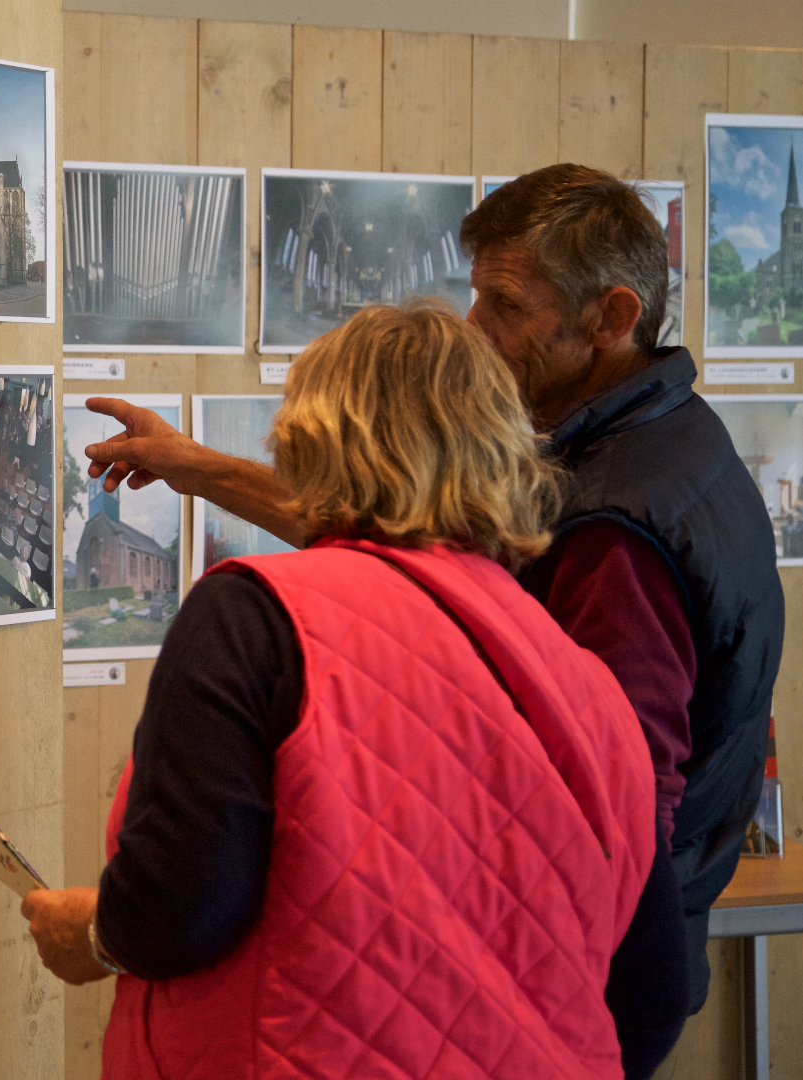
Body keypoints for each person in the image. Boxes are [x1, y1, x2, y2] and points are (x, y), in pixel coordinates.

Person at [77, 164, 781, 1039]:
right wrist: (191, 464)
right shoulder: (657, 440)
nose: (475, 330)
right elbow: (393, 535)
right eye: (475, 296)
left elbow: (617, 816)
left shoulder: (614, 525)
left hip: (558, 981)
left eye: (506, 306)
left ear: (611, 317)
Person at [24, 303, 668, 1079]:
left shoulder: (256, 615)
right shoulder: (583, 679)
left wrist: (93, 935)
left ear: (310, 439)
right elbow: (654, 989)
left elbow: (178, 908)